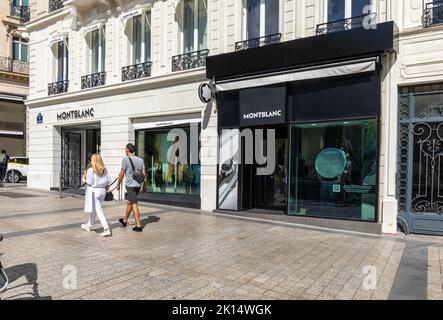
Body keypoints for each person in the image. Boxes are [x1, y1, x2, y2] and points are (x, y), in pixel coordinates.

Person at [117, 143, 146, 232]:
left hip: (130, 186)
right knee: (130, 202)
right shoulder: (140, 160)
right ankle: (125, 220)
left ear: (127, 150)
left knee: (134, 204)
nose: (125, 151)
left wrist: (118, 184)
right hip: (138, 185)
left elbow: (122, 173)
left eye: (125, 149)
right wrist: (145, 185)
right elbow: (144, 174)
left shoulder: (125, 160)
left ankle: (138, 226)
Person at [82, 154, 112, 237]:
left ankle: (106, 228)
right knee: (94, 209)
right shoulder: (104, 169)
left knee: (98, 210)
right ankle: (89, 225)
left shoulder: (91, 170)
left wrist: (85, 176)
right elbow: (109, 180)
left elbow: (89, 182)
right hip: (102, 191)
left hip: (94, 191)